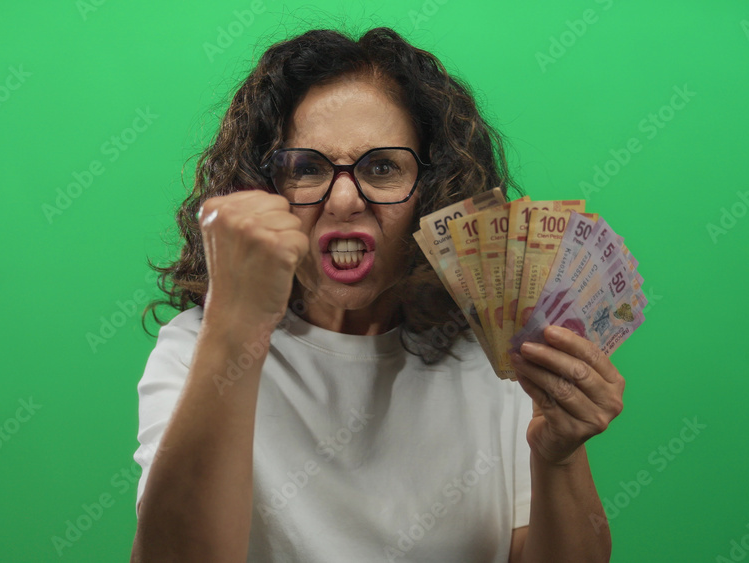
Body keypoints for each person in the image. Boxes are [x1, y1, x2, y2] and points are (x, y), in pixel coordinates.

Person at [130, 26, 624, 562]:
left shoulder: (497, 358)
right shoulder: (195, 349)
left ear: (433, 192)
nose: (344, 200)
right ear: (266, 190)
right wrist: (234, 322)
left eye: (382, 167)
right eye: (309, 168)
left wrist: (559, 459)